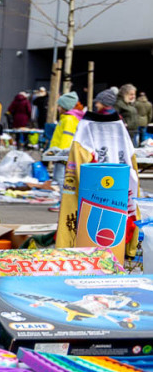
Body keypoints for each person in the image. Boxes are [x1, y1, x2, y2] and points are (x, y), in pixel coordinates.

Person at [55, 86, 141, 259]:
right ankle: (126, 249)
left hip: (92, 192)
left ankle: (73, 250)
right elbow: (131, 168)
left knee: (86, 216)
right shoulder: (119, 128)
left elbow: (78, 166)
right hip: (117, 189)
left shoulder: (85, 129)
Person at [47, 91, 84, 211]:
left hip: (62, 155)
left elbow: (66, 138)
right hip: (62, 154)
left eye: (60, 105)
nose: (58, 108)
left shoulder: (68, 119)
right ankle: (65, 201)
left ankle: (64, 202)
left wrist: (59, 153)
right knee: (62, 178)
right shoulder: (69, 118)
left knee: (61, 178)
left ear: (65, 106)